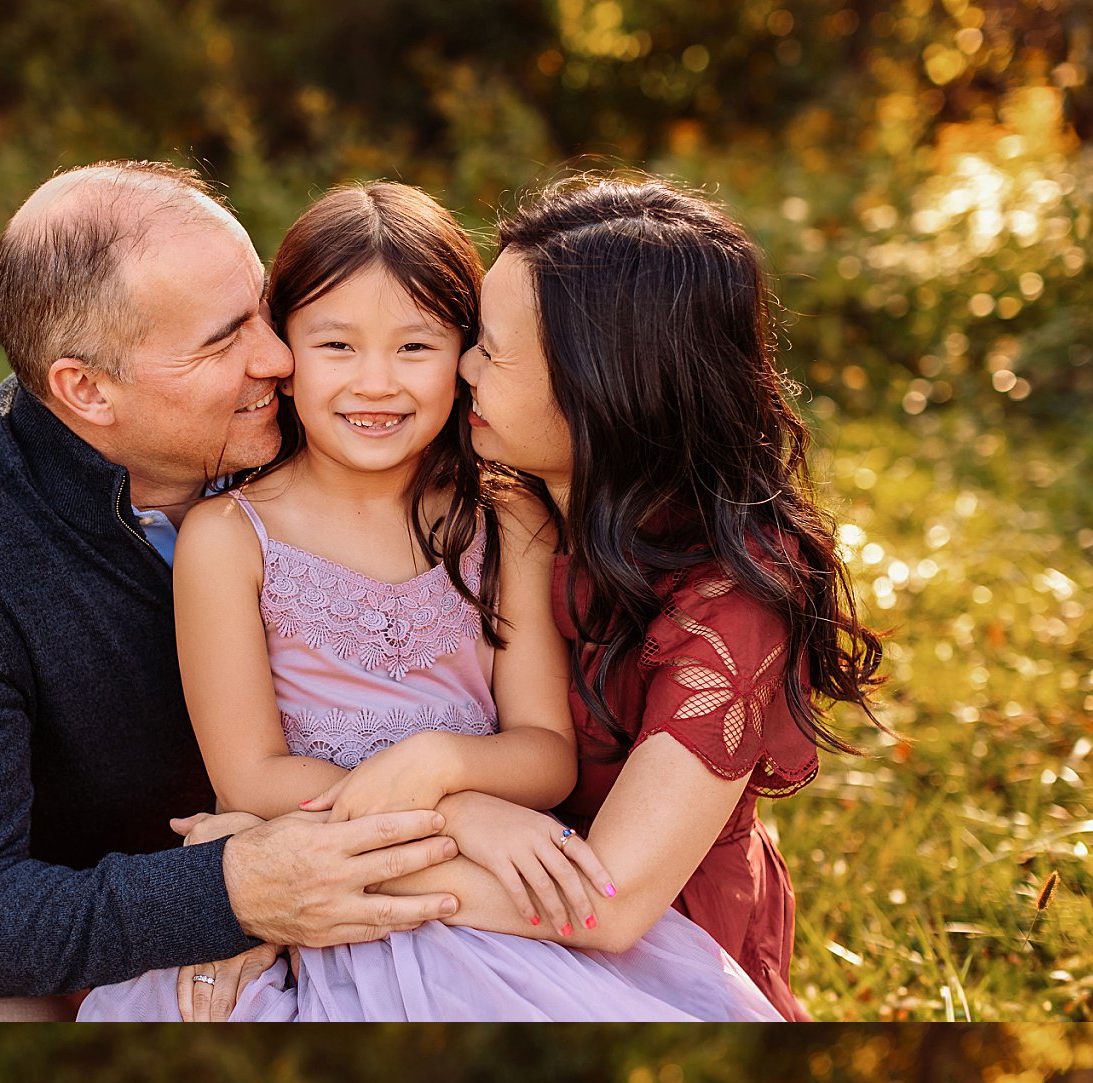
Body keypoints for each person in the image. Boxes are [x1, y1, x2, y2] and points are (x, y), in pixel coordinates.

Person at [78, 183, 778, 1023]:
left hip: (505, 910)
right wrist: (459, 815)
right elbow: (251, 774)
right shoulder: (230, 536)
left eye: (427, 346)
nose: (378, 383)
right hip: (331, 914)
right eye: (336, 344)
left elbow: (548, 759)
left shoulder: (509, 518)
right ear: (282, 354)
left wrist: (443, 773)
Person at [0, 161, 464, 1021]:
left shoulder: (320, 423)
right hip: (74, 915)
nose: (279, 358)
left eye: (263, 312)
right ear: (86, 389)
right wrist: (227, 895)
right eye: (222, 341)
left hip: (359, 848)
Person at [378, 173, 887, 1020]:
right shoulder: (504, 498)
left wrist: (317, 872)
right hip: (484, 891)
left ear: (604, 387)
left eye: (492, 351)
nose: (460, 366)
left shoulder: (735, 598)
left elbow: (606, 904)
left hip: (651, 945)